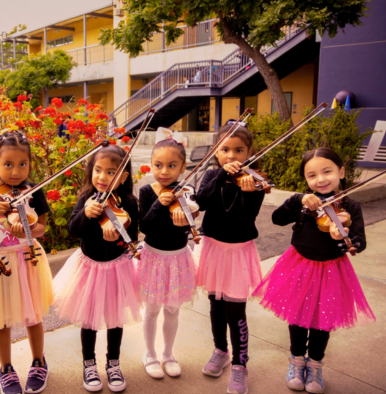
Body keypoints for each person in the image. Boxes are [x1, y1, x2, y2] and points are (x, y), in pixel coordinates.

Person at [253, 147, 375, 393]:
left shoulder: (351, 205)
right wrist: (297, 199)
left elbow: (360, 239)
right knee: (297, 317)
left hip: (332, 269)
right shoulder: (304, 203)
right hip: (299, 266)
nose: (320, 179)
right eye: (312, 175)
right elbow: (277, 218)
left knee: (323, 321)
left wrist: (352, 242)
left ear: (341, 172)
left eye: (327, 171)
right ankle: (296, 362)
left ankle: (316, 365)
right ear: (306, 180)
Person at [0, 131, 54, 394]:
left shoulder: (33, 190)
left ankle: (39, 361)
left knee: (33, 316)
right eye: (8, 164)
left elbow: (41, 229)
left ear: (29, 163)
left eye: (22, 164)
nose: (16, 172)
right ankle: (6, 368)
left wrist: (28, 228)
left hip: (27, 259)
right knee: (1, 321)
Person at [53, 145, 141, 393]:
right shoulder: (86, 199)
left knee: (115, 319)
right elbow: (73, 230)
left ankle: (113, 362)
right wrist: (86, 214)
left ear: (123, 177)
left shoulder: (129, 202)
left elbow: (131, 237)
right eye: (98, 170)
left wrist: (120, 240)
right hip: (89, 268)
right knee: (89, 318)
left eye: (111, 172)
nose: (102, 177)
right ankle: (89, 363)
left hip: (116, 267)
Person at [195, 124, 264, 394]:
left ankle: (240, 365)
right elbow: (201, 202)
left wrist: (248, 192)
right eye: (224, 149)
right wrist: (221, 176)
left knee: (235, 311)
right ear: (216, 151)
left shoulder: (254, 182)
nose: (231, 155)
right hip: (213, 248)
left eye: (238, 150)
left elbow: (248, 217)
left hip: (238, 253)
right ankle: (220, 350)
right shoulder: (212, 174)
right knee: (215, 305)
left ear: (249, 152)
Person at [137, 128, 197, 379]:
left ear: (182, 168)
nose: (164, 171)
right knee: (151, 309)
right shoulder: (147, 192)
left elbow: (193, 216)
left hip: (178, 257)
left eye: (171, 166)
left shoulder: (186, 191)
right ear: (151, 165)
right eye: (158, 165)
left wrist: (189, 212)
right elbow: (145, 226)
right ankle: (150, 354)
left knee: (172, 309)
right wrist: (158, 204)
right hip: (154, 256)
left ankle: (168, 354)